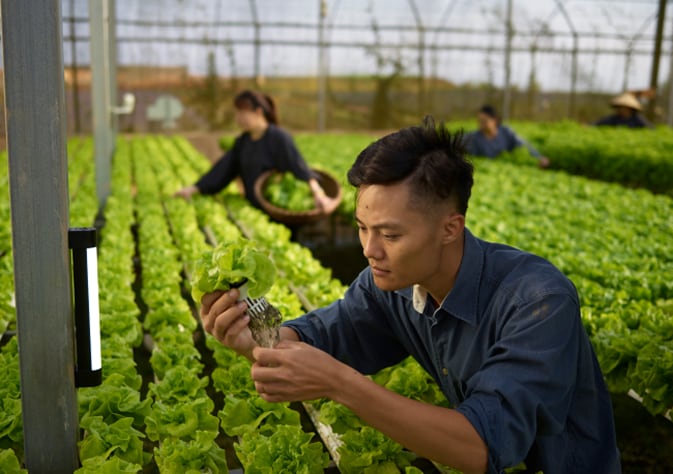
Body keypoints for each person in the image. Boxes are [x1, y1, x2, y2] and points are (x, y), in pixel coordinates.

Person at [200, 117, 621, 473]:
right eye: (363, 228)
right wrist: (255, 340)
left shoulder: (537, 301)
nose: (369, 249)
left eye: (390, 234)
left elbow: (482, 444)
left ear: (450, 228)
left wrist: (338, 382)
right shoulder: (393, 282)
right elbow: (324, 335)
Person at [175, 90, 338, 213]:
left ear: (258, 112)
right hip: (254, 207)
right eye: (237, 113)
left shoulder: (279, 138)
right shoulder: (243, 142)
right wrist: (195, 188)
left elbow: (299, 168)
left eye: (242, 112)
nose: (237, 117)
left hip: (278, 211)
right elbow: (223, 169)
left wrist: (319, 194)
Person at [465, 105, 551, 168]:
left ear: (494, 120)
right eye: (479, 121)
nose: (481, 124)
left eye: (484, 121)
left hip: (507, 169)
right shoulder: (474, 137)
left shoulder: (506, 132)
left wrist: (539, 157)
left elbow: (523, 144)